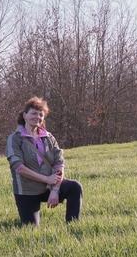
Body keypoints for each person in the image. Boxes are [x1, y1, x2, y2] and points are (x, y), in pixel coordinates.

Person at [5, 96, 83, 226]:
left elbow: (59, 163)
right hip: (27, 191)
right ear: (24, 115)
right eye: (33, 113)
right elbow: (19, 168)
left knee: (75, 187)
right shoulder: (14, 139)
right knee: (31, 229)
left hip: (49, 188)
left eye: (41, 115)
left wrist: (55, 189)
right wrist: (46, 179)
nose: (37, 117)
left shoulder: (48, 137)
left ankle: (73, 226)